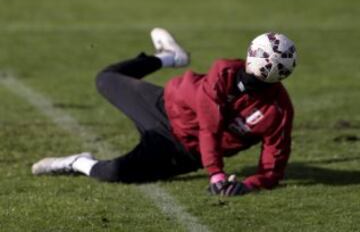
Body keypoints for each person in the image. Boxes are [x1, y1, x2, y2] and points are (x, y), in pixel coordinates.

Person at [32, 28, 296, 196]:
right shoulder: (224, 71)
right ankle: (169, 57)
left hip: (180, 151)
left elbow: (273, 168)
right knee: (106, 79)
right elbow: (210, 126)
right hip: (164, 106)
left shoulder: (278, 112)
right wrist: (216, 173)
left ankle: (75, 162)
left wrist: (248, 185)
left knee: (113, 173)